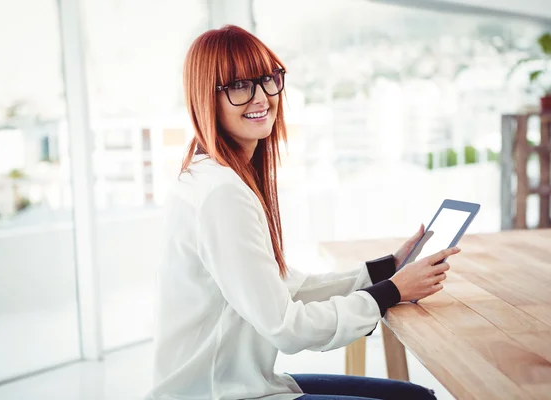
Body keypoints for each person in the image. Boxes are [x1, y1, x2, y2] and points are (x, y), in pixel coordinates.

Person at [146, 25, 460, 400]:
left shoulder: (215, 176)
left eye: (267, 79)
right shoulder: (221, 194)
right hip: (218, 395)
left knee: (410, 396)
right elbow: (286, 327)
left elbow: (284, 290)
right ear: (205, 98)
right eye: (239, 86)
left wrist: (386, 268)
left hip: (240, 384)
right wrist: (391, 292)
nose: (261, 97)